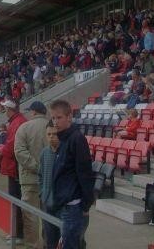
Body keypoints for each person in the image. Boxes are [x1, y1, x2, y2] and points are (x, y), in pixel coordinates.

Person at [50, 99, 94, 249]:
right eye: (53, 118)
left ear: (69, 117)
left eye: (59, 117)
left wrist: (86, 204)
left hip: (73, 206)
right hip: (64, 204)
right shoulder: (63, 139)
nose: (55, 122)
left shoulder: (77, 139)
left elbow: (85, 173)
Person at [14, 101, 48, 249]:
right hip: (49, 178)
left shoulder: (24, 127)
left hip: (30, 178)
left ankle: (33, 245)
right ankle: (49, 244)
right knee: (49, 215)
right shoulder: (53, 126)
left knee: (30, 216)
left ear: (33, 112)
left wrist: (36, 167)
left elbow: (19, 152)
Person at [0, 99, 27, 244]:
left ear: (10, 109)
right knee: (15, 200)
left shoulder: (17, 122)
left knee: (16, 200)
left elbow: (12, 146)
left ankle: (18, 234)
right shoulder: (15, 121)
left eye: (5, 109)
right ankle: (15, 232)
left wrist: (0, 150)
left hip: (15, 168)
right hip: (13, 167)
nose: (3, 111)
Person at [39, 122, 60, 249]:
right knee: (49, 239)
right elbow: (40, 176)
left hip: (62, 205)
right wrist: (43, 194)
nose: (52, 137)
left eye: (55, 134)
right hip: (47, 203)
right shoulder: (44, 153)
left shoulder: (66, 152)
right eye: (49, 134)